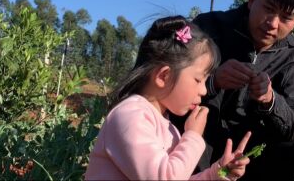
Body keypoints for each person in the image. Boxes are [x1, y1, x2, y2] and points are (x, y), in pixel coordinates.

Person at [170, 0, 294, 181]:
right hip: (197, 135)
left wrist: (270, 99)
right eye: (268, 8)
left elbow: (292, 126)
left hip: (250, 152)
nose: (273, 23)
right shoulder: (209, 27)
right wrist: (213, 81)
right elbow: (167, 81)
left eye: (286, 18)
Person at [85, 16, 252, 180]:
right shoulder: (130, 116)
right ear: (163, 76)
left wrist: (216, 174)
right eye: (198, 80)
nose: (203, 90)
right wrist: (193, 136)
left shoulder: (165, 125)